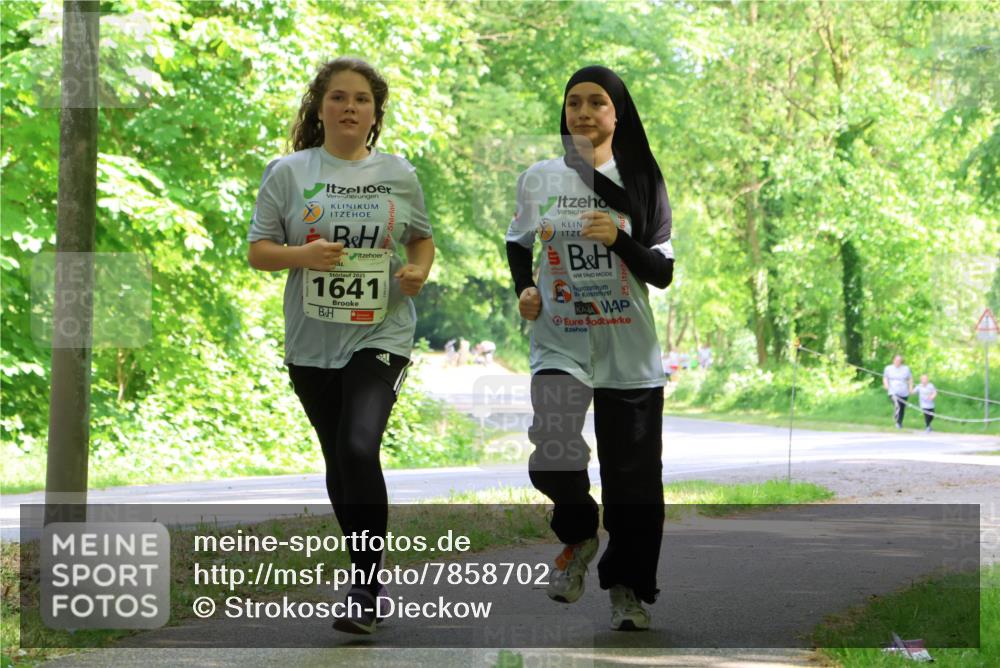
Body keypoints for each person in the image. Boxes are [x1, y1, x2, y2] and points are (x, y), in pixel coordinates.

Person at [247, 57, 434, 635]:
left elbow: (422, 242)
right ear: (320, 107)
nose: (349, 107)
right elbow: (258, 250)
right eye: (337, 97)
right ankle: (362, 570)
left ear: (375, 114)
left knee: (359, 447)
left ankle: (366, 589)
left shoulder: (398, 173)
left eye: (360, 99)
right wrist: (303, 256)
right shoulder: (289, 172)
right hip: (311, 339)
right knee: (338, 458)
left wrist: (417, 273)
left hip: (382, 332)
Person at [505, 65, 674, 631]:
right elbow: (516, 243)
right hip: (561, 341)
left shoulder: (644, 180)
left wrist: (618, 238)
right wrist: (525, 288)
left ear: (616, 113)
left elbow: (663, 270)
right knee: (552, 448)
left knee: (634, 487)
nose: (583, 112)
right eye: (573, 102)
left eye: (596, 102)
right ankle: (579, 534)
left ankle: (628, 589)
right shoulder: (540, 178)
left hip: (629, 352)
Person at [882, 354, 914, 429]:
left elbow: (910, 379)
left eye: (899, 361)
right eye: (896, 360)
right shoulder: (888, 368)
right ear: (893, 360)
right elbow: (885, 377)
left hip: (904, 392)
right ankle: (896, 419)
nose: (898, 362)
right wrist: (886, 385)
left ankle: (899, 423)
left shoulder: (906, 369)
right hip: (893, 391)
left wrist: (910, 388)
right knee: (897, 405)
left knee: (902, 408)